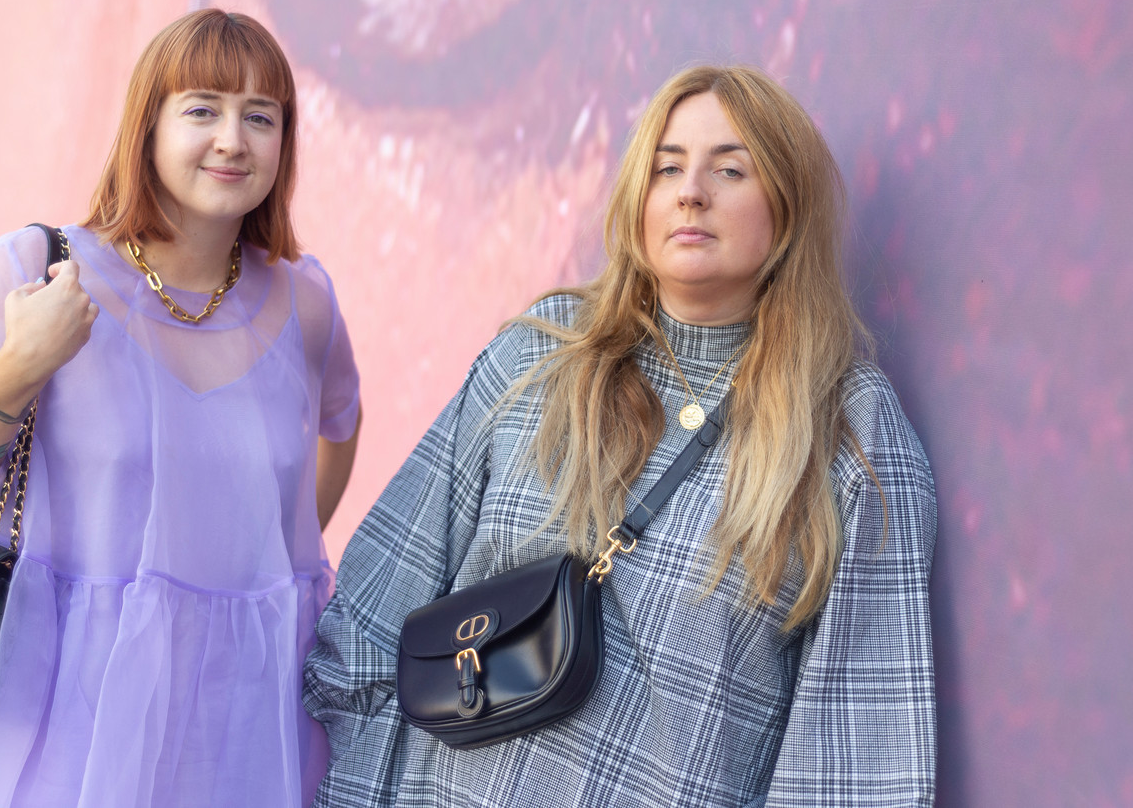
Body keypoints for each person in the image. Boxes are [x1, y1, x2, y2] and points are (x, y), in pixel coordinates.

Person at [303, 66, 935, 807]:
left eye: (730, 169)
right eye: (667, 167)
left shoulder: (848, 433)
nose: (690, 190)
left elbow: (856, 767)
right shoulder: (538, 360)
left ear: (787, 211)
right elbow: (371, 623)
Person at [0, 9, 362, 808]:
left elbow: (339, 424)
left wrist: (274, 562)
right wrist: (24, 360)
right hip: (58, 700)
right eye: (202, 109)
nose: (234, 139)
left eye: (260, 116)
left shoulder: (305, 299)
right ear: (148, 127)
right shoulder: (35, 269)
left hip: (229, 714)